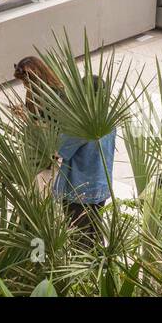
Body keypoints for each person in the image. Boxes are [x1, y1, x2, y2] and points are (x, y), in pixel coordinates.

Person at [55, 90, 117, 235]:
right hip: (102, 186)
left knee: (79, 238)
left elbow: (59, 150)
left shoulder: (81, 122)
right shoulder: (110, 118)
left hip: (79, 190)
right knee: (95, 233)